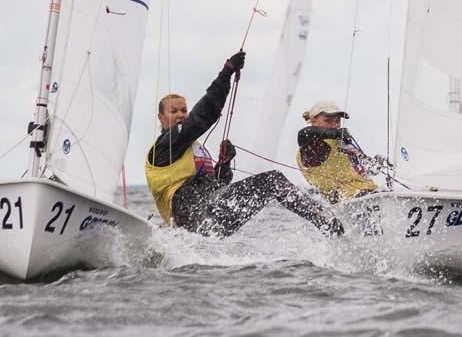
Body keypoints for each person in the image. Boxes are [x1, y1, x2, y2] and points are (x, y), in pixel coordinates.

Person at [145, 52, 344, 237]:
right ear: (161, 117)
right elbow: (203, 116)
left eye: (183, 110)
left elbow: (218, 185)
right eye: (173, 111)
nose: (180, 115)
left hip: (208, 216)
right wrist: (226, 73)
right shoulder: (165, 145)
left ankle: (331, 227)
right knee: (272, 181)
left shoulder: (192, 147)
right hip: (191, 216)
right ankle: (325, 223)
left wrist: (224, 164)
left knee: (272, 182)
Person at [296, 100, 382, 204]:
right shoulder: (312, 147)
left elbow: (363, 167)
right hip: (348, 200)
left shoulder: (341, 143)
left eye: (337, 121)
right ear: (313, 121)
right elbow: (303, 134)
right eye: (328, 121)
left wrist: (376, 164)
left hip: (371, 192)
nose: (335, 125)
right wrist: (335, 133)